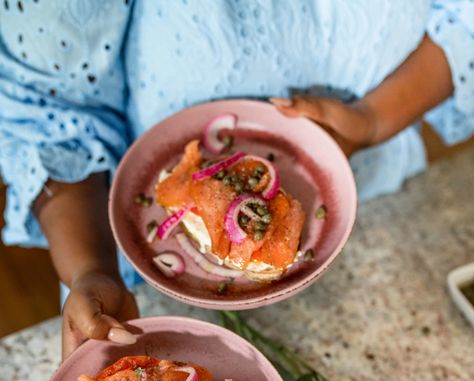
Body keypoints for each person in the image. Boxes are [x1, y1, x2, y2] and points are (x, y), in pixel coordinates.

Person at [1, 1, 473, 358]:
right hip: (150, 278)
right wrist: (90, 270)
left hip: (384, 221)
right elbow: (48, 115)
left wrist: (371, 119)